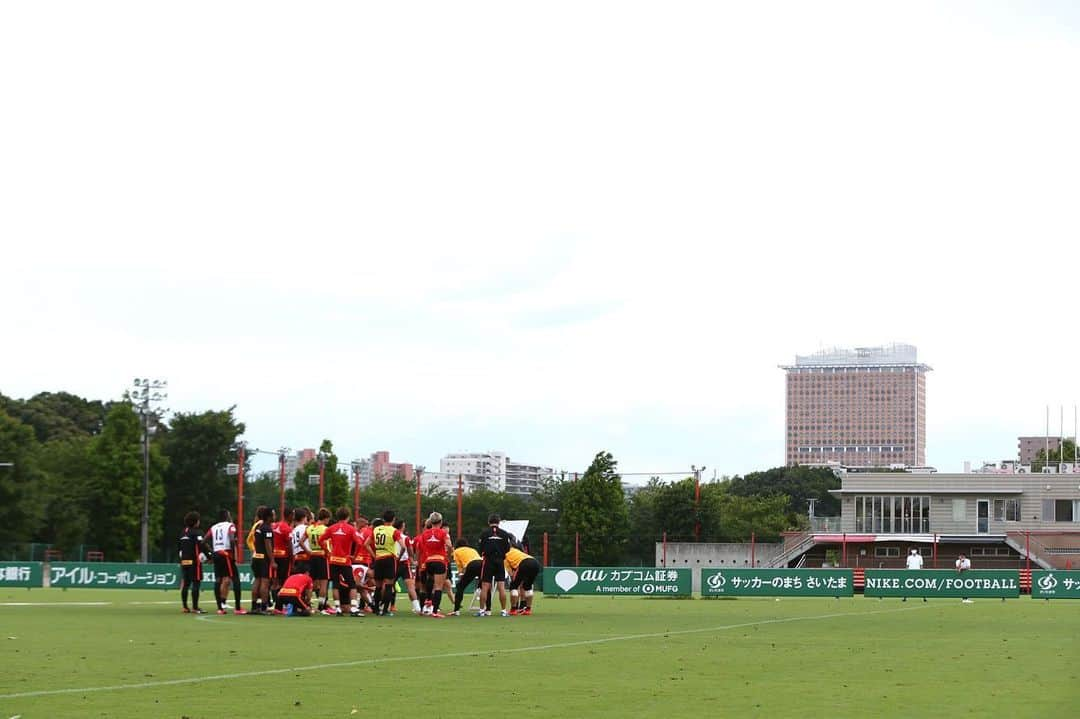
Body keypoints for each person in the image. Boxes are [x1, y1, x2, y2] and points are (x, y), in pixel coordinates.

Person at [318, 507, 364, 616]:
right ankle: (353, 608)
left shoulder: (331, 528)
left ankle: (338, 608)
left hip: (333, 560)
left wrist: (327, 552)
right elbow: (360, 543)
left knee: (335, 585)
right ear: (348, 517)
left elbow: (321, 540)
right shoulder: (351, 529)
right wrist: (354, 556)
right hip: (345, 560)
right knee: (352, 584)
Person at [365, 510, 405, 616]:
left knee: (378, 586)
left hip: (378, 559)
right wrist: (399, 557)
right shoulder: (394, 531)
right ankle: (385, 610)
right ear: (393, 519)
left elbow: (366, 544)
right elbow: (403, 546)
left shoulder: (376, 529)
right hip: (389, 559)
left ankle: (376, 609)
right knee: (388, 586)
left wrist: (374, 555)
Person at [207, 509, 246, 615]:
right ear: (226, 516)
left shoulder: (213, 527)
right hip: (226, 554)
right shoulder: (230, 525)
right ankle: (238, 608)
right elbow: (232, 539)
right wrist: (233, 554)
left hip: (216, 554)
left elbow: (204, 541)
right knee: (235, 578)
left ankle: (220, 608)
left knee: (218, 579)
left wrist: (211, 553)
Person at [476, 513, 513, 617]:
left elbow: (480, 548)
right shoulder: (504, 534)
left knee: (485, 586)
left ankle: (482, 611)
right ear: (499, 522)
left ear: (489, 522)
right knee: (501, 586)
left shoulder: (484, 533)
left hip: (488, 560)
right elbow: (507, 548)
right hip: (500, 561)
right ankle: (503, 611)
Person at [418, 512, 453, 617]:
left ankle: (424, 606)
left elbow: (422, 548)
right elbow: (449, 545)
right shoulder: (443, 533)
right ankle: (435, 611)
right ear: (441, 522)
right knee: (438, 587)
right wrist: (449, 556)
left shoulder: (424, 534)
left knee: (428, 583)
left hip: (428, 562)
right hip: (440, 561)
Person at [178, 511, 210, 614]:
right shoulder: (197, 532)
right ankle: (195, 607)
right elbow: (202, 544)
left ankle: (185, 607)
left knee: (186, 584)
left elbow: (179, 546)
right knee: (196, 583)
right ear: (196, 522)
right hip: (194, 561)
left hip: (184, 561)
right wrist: (210, 556)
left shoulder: (183, 532)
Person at [249, 506, 275, 614]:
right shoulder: (267, 528)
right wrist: (272, 560)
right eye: (273, 514)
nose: (275, 516)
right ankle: (264, 608)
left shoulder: (258, 527)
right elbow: (268, 545)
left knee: (257, 581)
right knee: (265, 582)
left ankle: (255, 606)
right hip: (264, 558)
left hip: (256, 556)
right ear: (269, 517)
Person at [306, 508, 331, 612]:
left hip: (312, 556)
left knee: (311, 583)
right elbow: (327, 544)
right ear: (326, 518)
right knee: (324, 583)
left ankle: (307, 605)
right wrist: (328, 553)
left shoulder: (310, 528)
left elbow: (301, 541)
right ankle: (321, 607)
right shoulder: (325, 529)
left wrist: (308, 551)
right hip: (322, 556)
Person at [450, 537, 482, 616]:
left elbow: (459, 565)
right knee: (485, 587)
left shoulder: (456, 551)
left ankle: (456, 610)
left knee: (460, 587)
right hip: (482, 564)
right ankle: (487, 609)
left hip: (471, 565)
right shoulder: (472, 549)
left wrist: (461, 573)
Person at [505, 543, 540, 615]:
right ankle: (528, 609)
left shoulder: (505, 555)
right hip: (535, 562)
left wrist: (514, 582)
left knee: (513, 586)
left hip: (524, 563)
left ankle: (513, 609)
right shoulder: (516, 550)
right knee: (527, 587)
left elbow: (511, 573)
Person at [270, 508, 294, 605]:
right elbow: (289, 545)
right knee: (284, 581)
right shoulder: (287, 528)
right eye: (293, 515)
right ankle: (281, 604)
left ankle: (275, 603)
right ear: (289, 516)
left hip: (274, 556)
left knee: (275, 581)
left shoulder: (274, 526)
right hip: (284, 558)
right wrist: (292, 560)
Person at [290, 508, 311, 576]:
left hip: (296, 558)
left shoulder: (293, 530)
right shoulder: (306, 528)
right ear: (303, 518)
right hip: (306, 557)